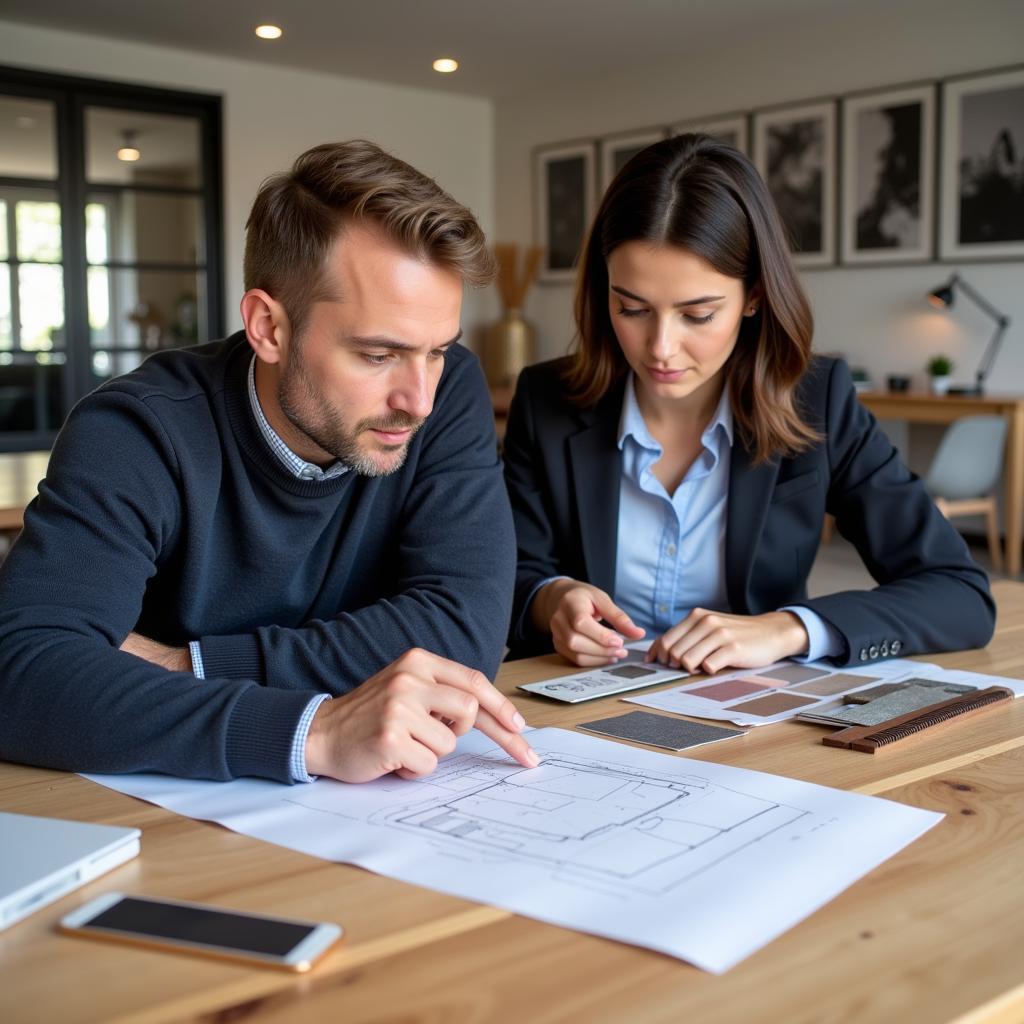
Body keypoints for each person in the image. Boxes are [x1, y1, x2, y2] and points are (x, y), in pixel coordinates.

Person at [0, 140, 537, 784]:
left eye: (437, 350)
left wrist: (182, 665)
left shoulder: (446, 393)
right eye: (376, 355)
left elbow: (463, 632)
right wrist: (314, 730)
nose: (417, 400)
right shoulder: (138, 428)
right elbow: (23, 672)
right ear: (269, 327)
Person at [503, 133, 994, 672]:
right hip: (571, 716)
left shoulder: (818, 400)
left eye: (698, 314)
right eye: (633, 309)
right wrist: (551, 601)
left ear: (754, 297)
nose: (661, 347)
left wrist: (789, 628)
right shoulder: (545, 399)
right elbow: (502, 575)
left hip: (750, 722)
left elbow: (959, 593)